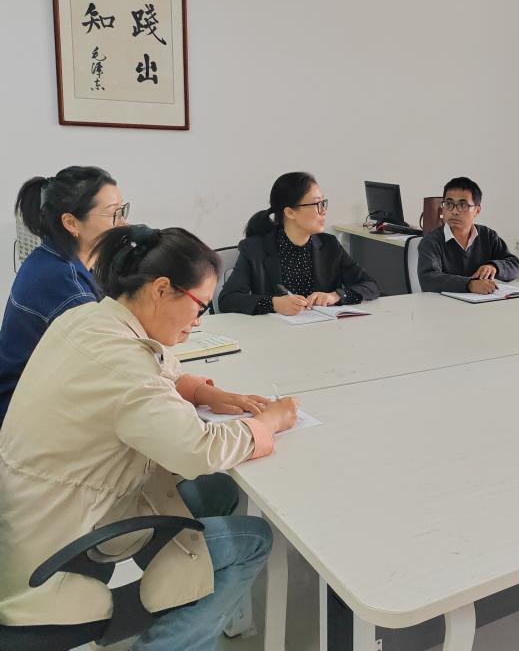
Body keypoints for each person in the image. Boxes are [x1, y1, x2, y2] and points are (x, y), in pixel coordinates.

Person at [0, 225, 299, 650]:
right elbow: (197, 450)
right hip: (59, 552)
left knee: (214, 491)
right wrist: (269, 423)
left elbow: (156, 370)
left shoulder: (87, 318)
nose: (198, 321)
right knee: (253, 539)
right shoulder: (124, 366)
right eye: (199, 305)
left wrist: (204, 392)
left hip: (29, 519)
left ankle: (180, 593)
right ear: (161, 289)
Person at [0, 166, 128, 424]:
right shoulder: (65, 284)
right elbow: (107, 368)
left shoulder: (53, 258)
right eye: (114, 213)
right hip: (23, 416)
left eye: (123, 210)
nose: (123, 223)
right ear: (71, 223)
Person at [219, 172, 380, 315]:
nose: (324, 211)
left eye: (323, 203)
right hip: (274, 333)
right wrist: (274, 303)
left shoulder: (329, 245)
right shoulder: (255, 248)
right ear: (290, 212)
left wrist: (336, 296)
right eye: (317, 204)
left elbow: (370, 285)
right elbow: (228, 299)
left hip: (325, 331)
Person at [417, 176, 519, 294]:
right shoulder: (431, 241)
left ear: (477, 211)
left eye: (463, 205)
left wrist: (494, 267)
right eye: (449, 204)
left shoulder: (488, 236)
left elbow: (515, 265)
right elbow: (428, 279)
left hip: (482, 303)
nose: (454, 211)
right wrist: (469, 284)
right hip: (444, 304)